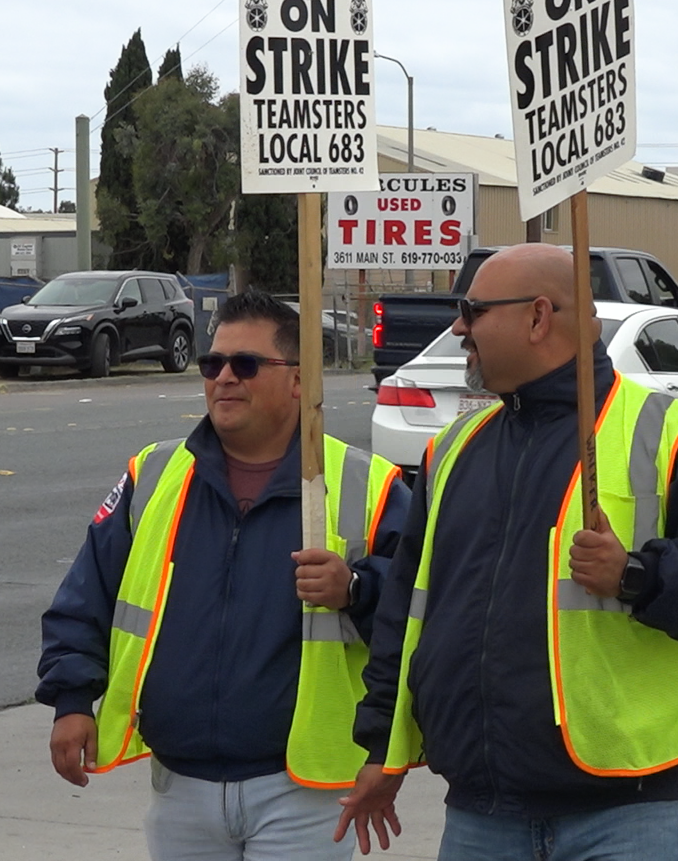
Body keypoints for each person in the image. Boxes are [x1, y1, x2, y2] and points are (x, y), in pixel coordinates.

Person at [337, 244, 678, 860]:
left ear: (538, 316)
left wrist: (637, 576)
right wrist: (380, 748)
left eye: (472, 310)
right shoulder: (453, 450)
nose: (459, 329)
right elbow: (406, 613)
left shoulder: (667, 433)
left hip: (621, 810)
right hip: (481, 807)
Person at [37, 289, 410, 860]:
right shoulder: (154, 474)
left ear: (299, 380)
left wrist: (355, 590)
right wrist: (71, 699)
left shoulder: (368, 485)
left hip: (303, 793)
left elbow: (418, 619)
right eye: (212, 364)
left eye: (246, 364)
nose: (224, 378)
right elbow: (86, 595)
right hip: (180, 787)